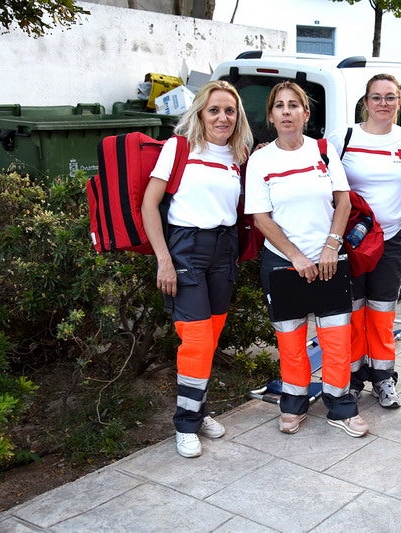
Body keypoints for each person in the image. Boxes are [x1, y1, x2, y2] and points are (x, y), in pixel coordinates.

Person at [244, 81, 369, 438]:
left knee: (336, 337)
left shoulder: (323, 151)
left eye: (294, 105)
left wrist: (331, 246)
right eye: (280, 106)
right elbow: (261, 217)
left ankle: (340, 405)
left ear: (306, 113)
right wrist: (296, 256)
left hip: (329, 260)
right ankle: (294, 401)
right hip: (283, 264)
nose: (287, 111)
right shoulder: (261, 160)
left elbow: (343, 201)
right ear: (271, 116)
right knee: (290, 337)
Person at [141, 80, 253, 458]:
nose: (222, 117)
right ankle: (186, 423)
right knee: (197, 340)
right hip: (187, 248)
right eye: (214, 110)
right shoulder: (179, 148)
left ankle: (197, 407)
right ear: (200, 113)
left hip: (225, 250)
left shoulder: (238, 156)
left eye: (230, 111)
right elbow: (149, 204)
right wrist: (164, 260)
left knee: (212, 335)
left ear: (238, 117)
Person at [327, 74, 401, 409]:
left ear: (399, 102)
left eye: (390, 97)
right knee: (351, 313)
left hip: (391, 240)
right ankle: (352, 378)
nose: (383, 103)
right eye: (376, 97)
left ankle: (383, 378)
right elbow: (322, 180)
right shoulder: (343, 137)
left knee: (382, 314)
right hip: (352, 241)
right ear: (365, 102)